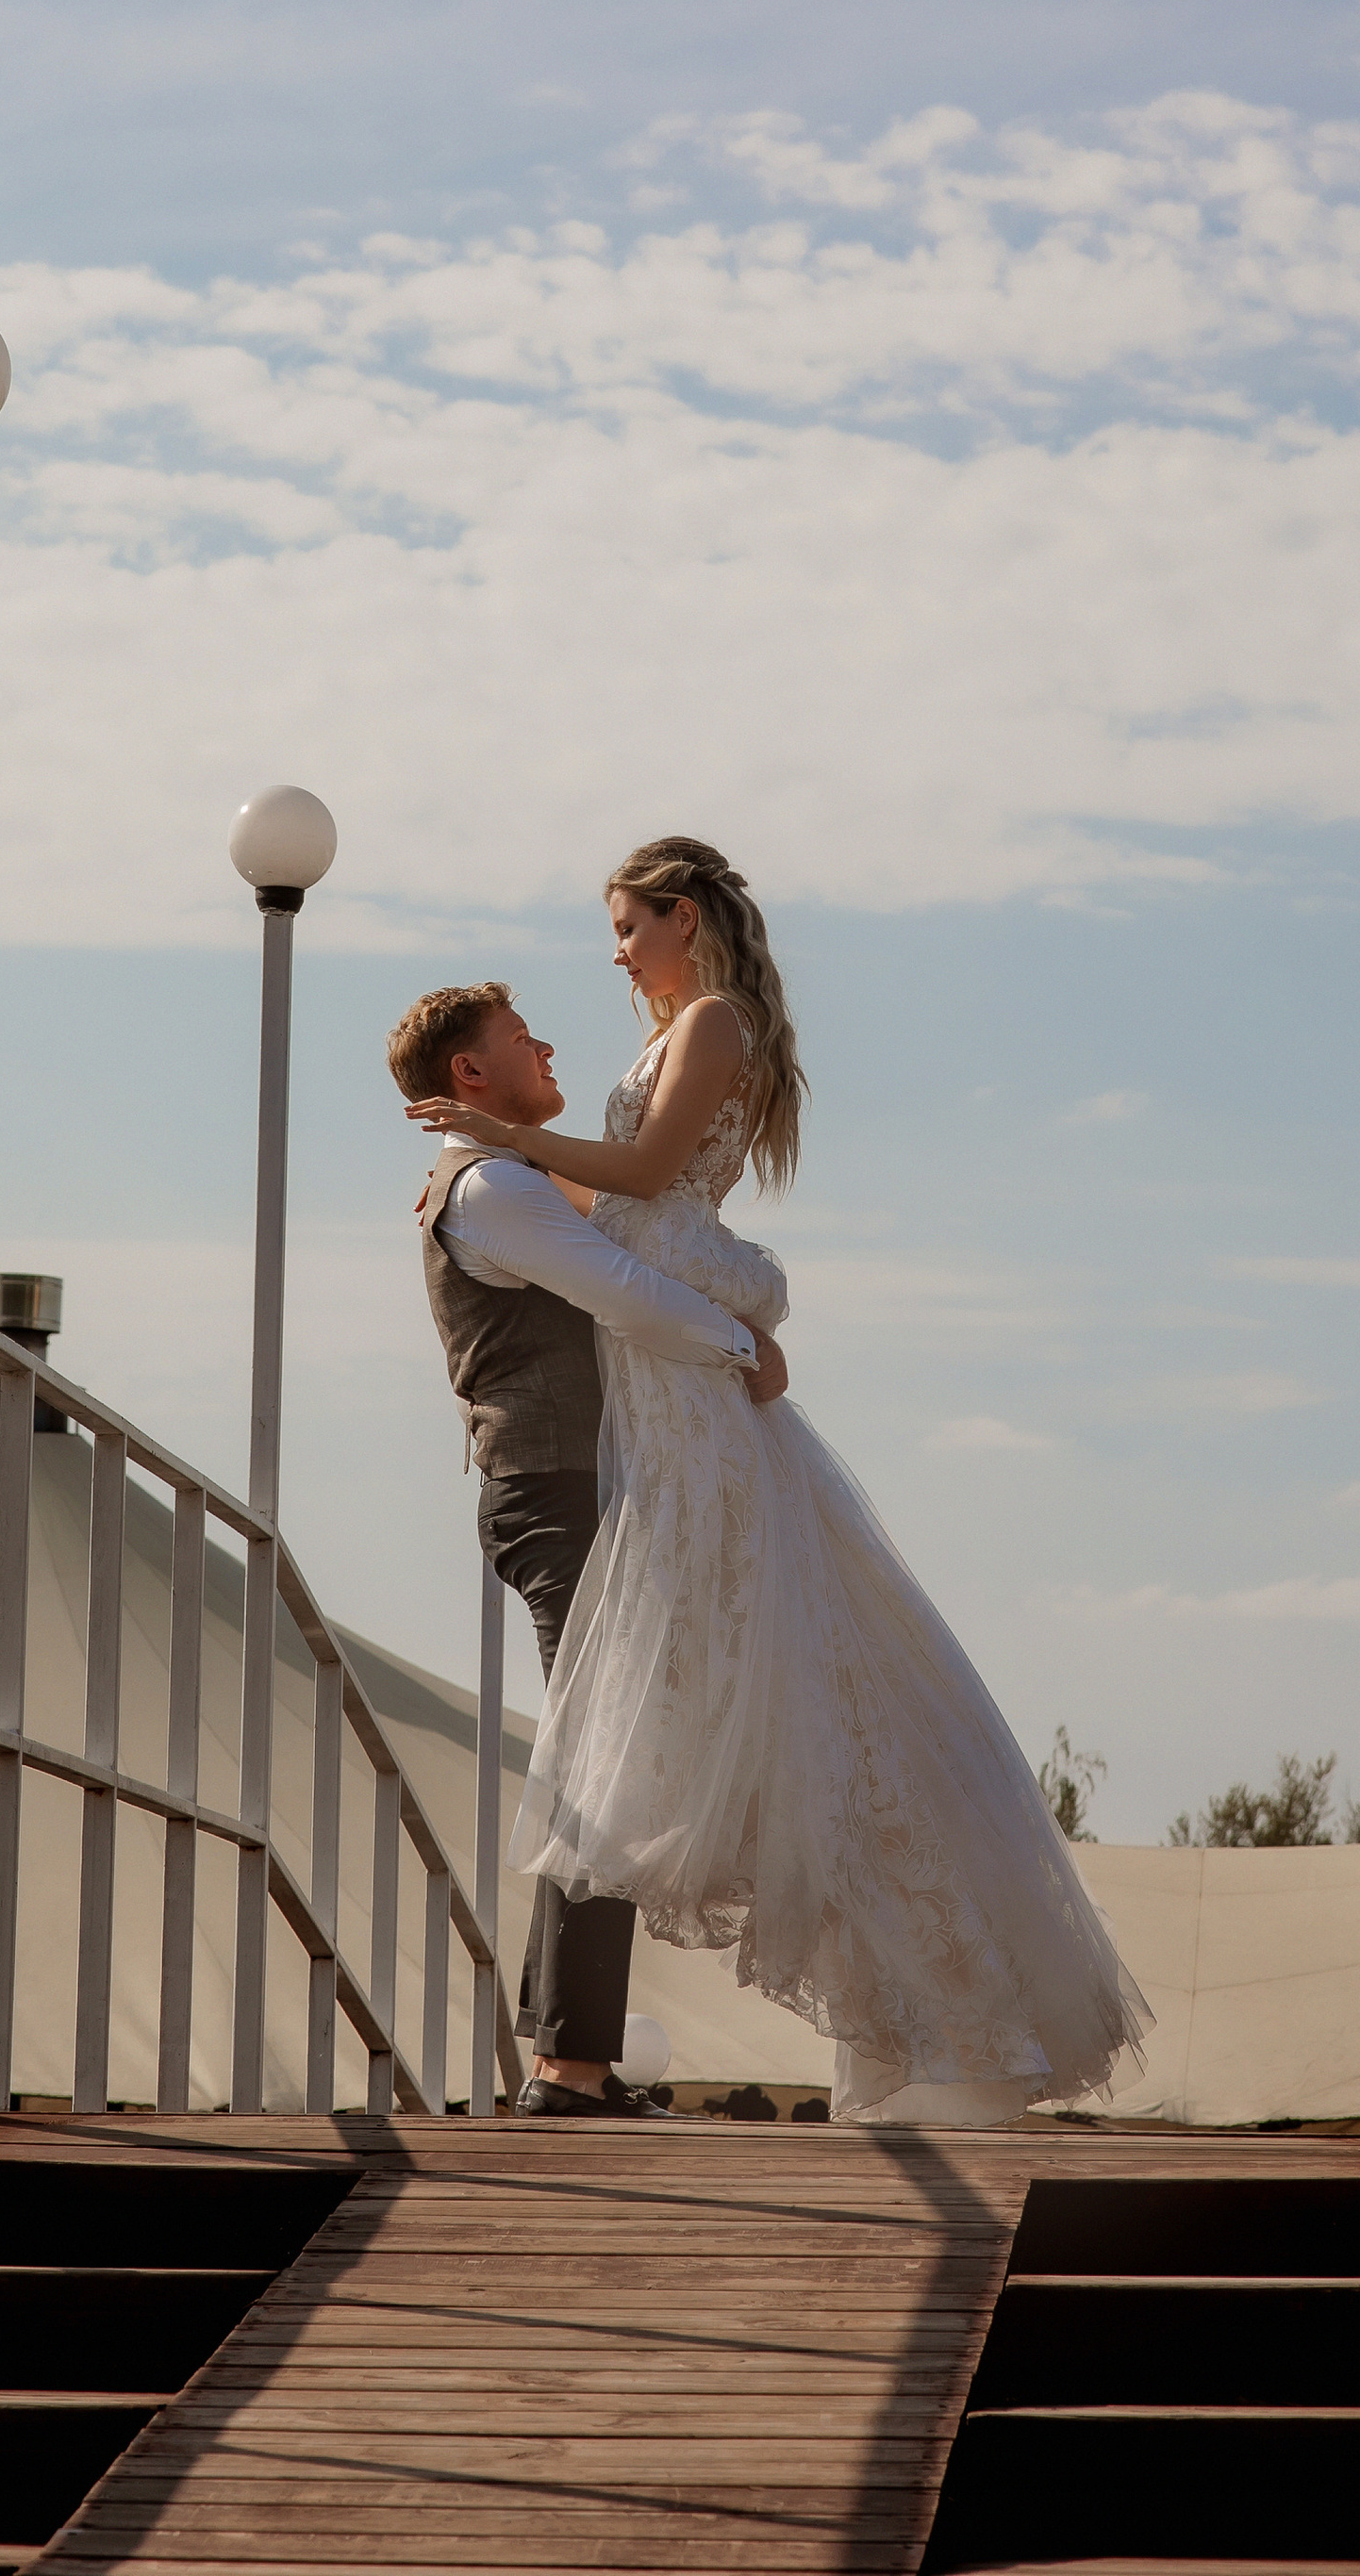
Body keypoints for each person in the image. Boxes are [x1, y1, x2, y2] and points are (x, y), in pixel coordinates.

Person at [406, 835, 1150, 2126]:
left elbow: (640, 1195)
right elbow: (620, 1245)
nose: (615, 955)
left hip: (663, 1419)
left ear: (682, 919)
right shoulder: (520, 1166)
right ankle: (605, 2054)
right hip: (629, 1428)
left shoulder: (707, 1024)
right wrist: (736, 1320)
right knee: (660, 1733)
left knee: (677, 1727)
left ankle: (595, 2062)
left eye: (628, 928)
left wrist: (733, 1323)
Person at [387, 978, 790, 2120]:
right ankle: (566, 2070)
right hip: (553, 1494)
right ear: (471, 1075)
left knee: (606, 1760)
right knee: (608, 1763)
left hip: (571, 1491)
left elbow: (635, 1230)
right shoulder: (492, 1191)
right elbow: (623, 1293)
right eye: (520, 1038)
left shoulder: (511, 1179)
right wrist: (741, 1342)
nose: (547, 1041)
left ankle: (571, 2061)